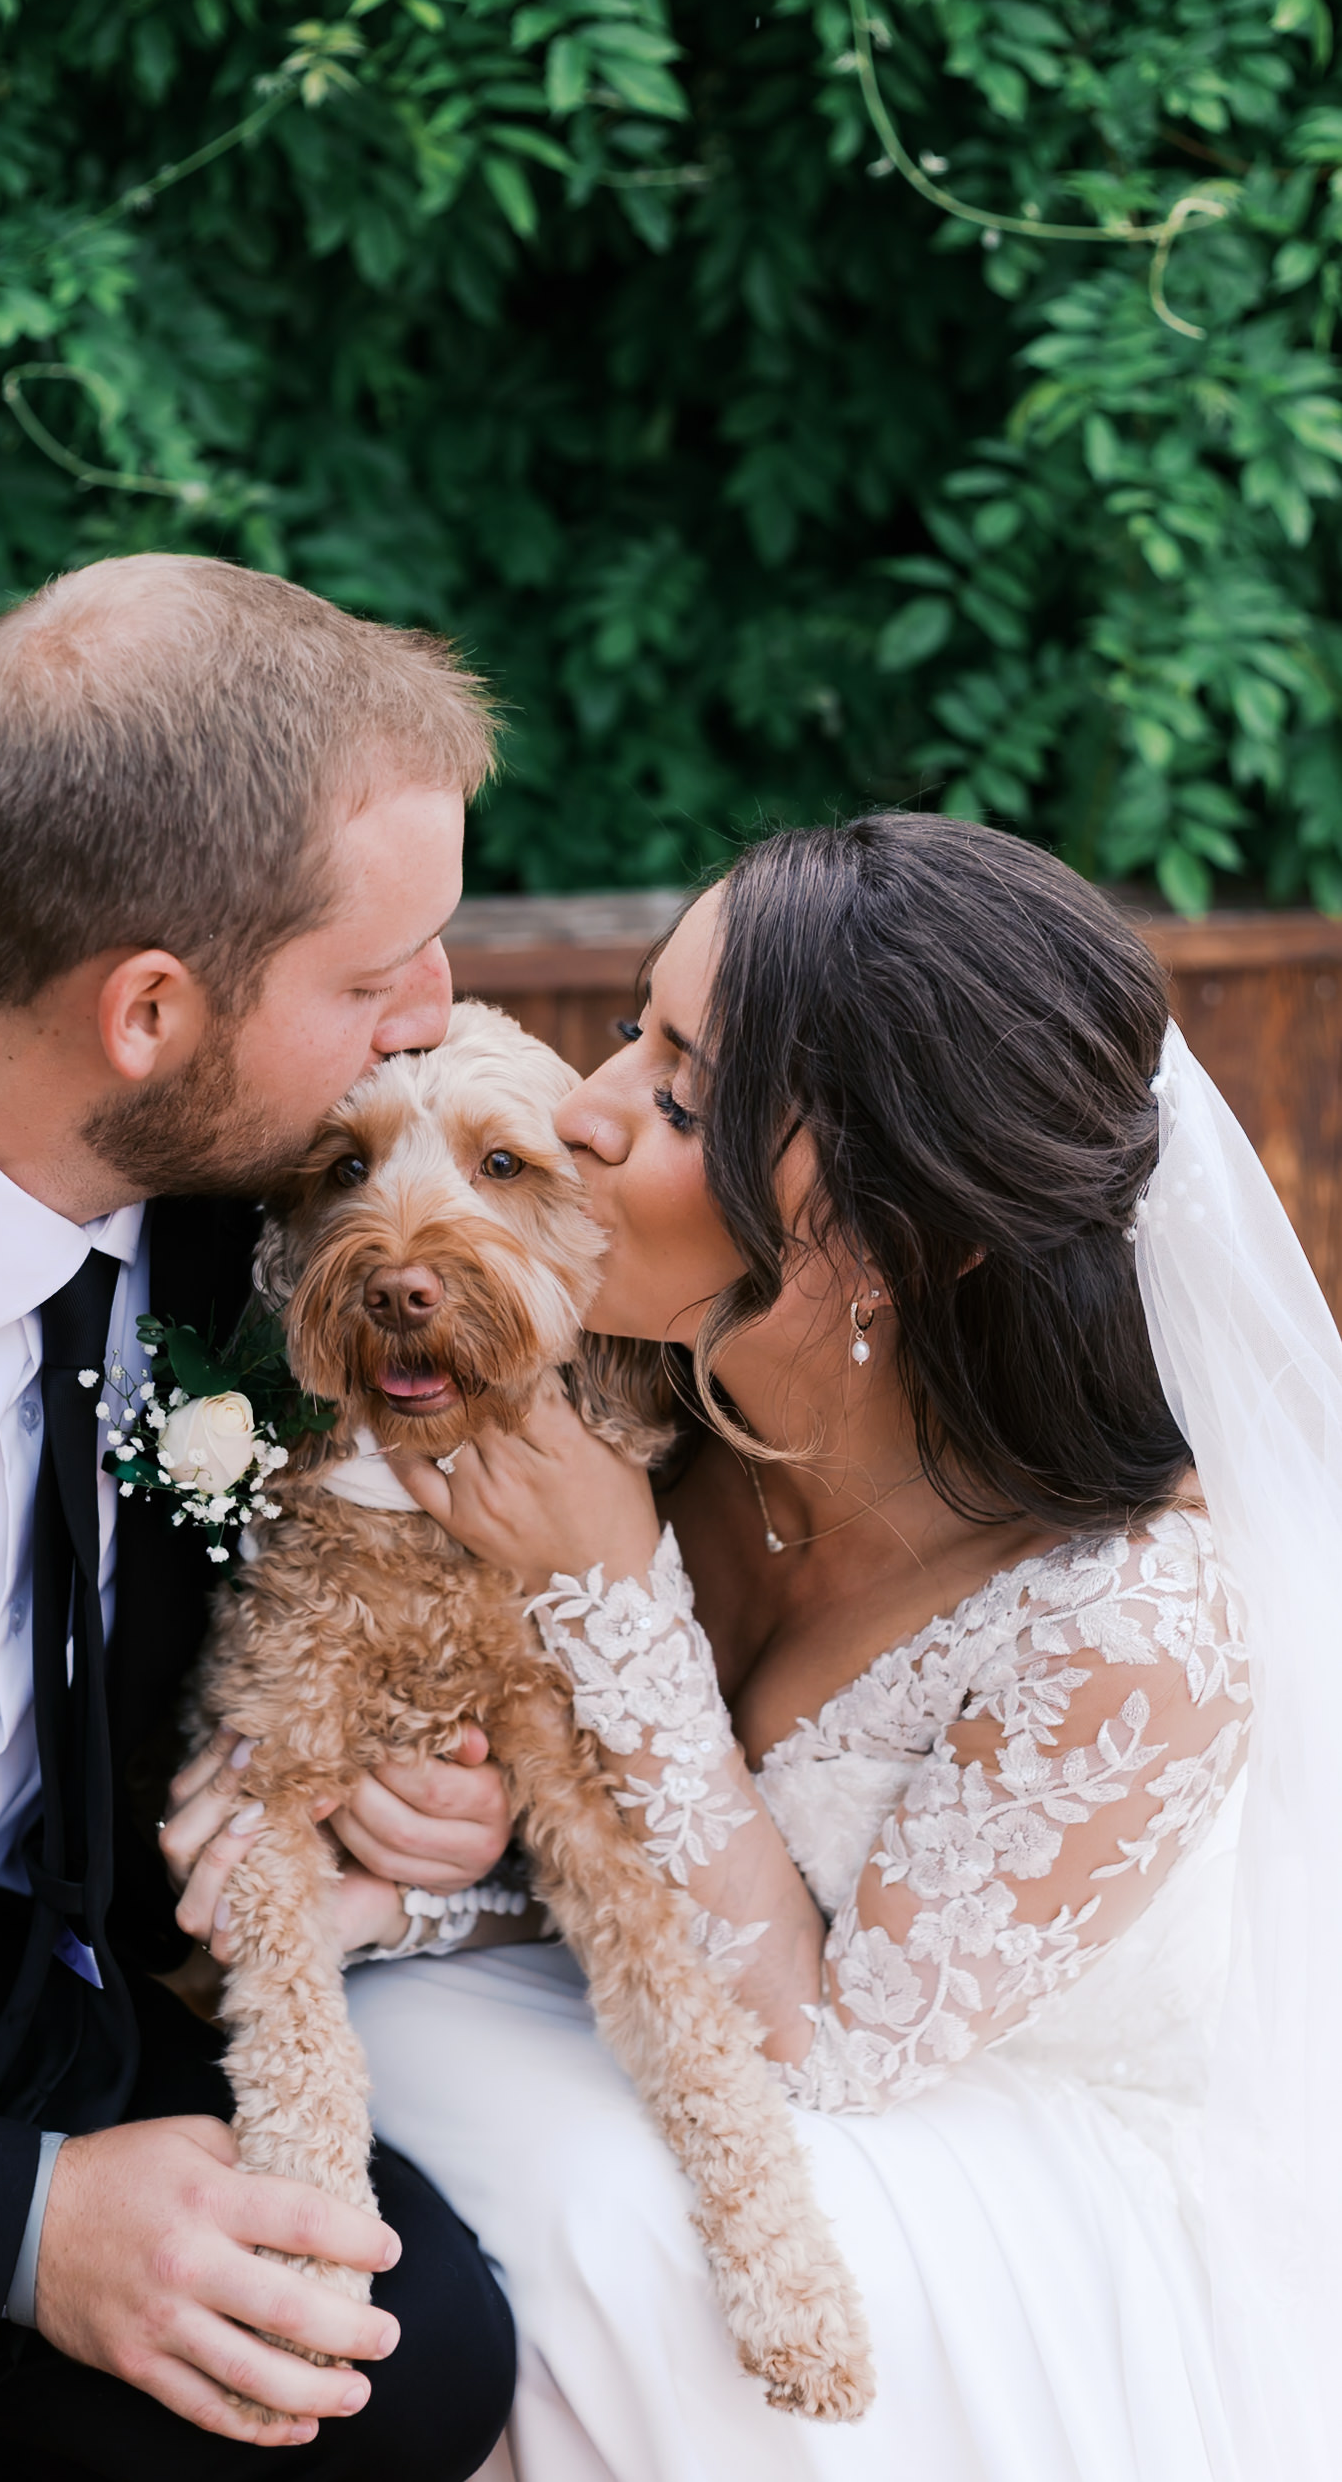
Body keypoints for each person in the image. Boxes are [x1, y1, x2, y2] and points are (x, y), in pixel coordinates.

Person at [185, 813, 1338, 2480]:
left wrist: (617, 1582)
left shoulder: (1135, 1623)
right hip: (663, 2025)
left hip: (940, 2143)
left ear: (895, 1235)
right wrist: (426, 1867)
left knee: (604, 2245)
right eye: (636, 1025)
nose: (583, 1108)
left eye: (673, 1092)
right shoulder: (637, 1384)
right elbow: (574, 1804)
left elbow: (836, 2047)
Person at [0, 553, 518, 2482]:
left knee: (399, 2350)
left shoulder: (243, 1189)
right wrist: (21, 2233)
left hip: (52, 1993)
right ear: (149, 1009)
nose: (428, 1021)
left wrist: (424, 1786)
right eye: (380, 980)